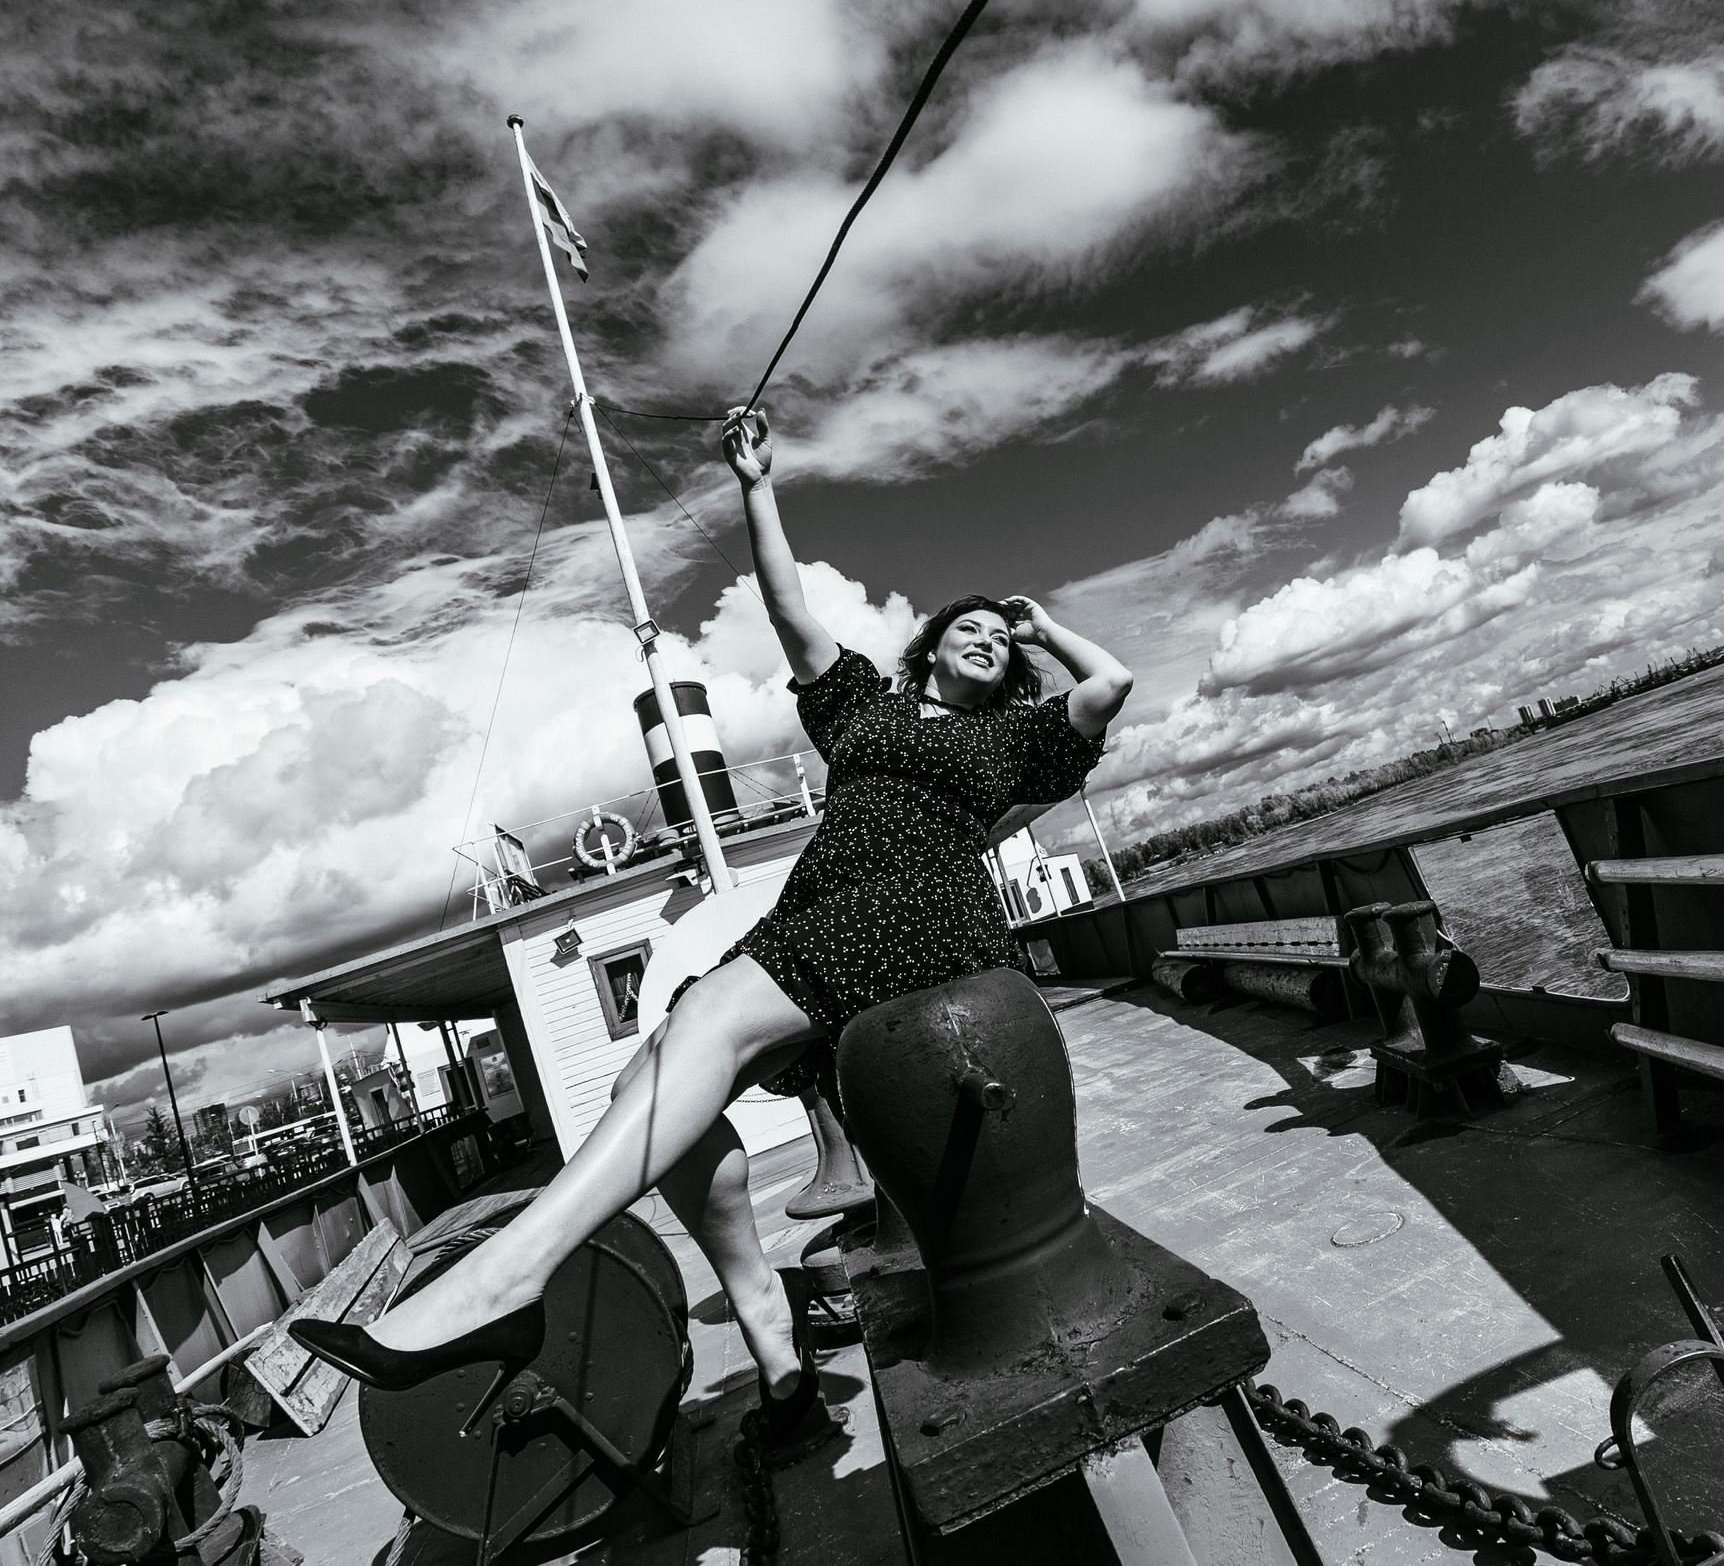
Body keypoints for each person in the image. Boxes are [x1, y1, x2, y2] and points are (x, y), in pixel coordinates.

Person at [294, 406, 1132, 1437]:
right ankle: (775, 1349)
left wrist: (1041, 623)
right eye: (972, 625)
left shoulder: (1012, 737)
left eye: (1002, 641)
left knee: (697, 1033)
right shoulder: (863, 705)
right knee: (648, 1074)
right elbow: (790, 611)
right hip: (819, 907)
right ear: (927, 648)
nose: (987, 637)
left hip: (915, 910)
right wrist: (757, 485)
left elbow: (1111, 684)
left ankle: (501, 1284)